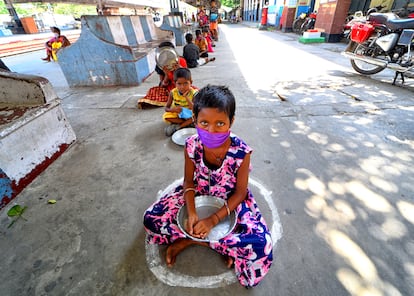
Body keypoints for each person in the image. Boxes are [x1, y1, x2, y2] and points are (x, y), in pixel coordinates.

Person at [143, 85, 273, 287]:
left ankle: (192, 239)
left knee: (261, 245)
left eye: (220, 123)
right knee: (151, 219)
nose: (211, 130)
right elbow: (188, 181)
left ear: (232, 121)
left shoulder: (241, 152)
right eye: (204, 122)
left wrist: (213, 220)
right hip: (198, 194)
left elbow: (240, 193)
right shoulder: (192, 144)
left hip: (231, 203)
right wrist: (192, 212)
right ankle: (217, 244)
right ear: (194, 120)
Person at [137, 42, 188, 109]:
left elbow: (187, 80)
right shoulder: (160, 64)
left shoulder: (181, 61)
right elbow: (162, 85)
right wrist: (166, 75)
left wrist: (180, 70)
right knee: (152, 90)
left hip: (182, 87)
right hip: (169, 90)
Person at [162, 68, 197, 136]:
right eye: (179, 84)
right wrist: (172, 110)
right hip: (178, 114)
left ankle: (179, 127)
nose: (182, 87)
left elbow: (194, 109)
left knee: (197, 115)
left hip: (190, 113)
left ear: (191, 82)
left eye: (185, 83)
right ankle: (187, 123)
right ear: (175, 83)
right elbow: (166, 108)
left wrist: (186, 97)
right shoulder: (173, 92)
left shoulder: (194, 93)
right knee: (166, 116)